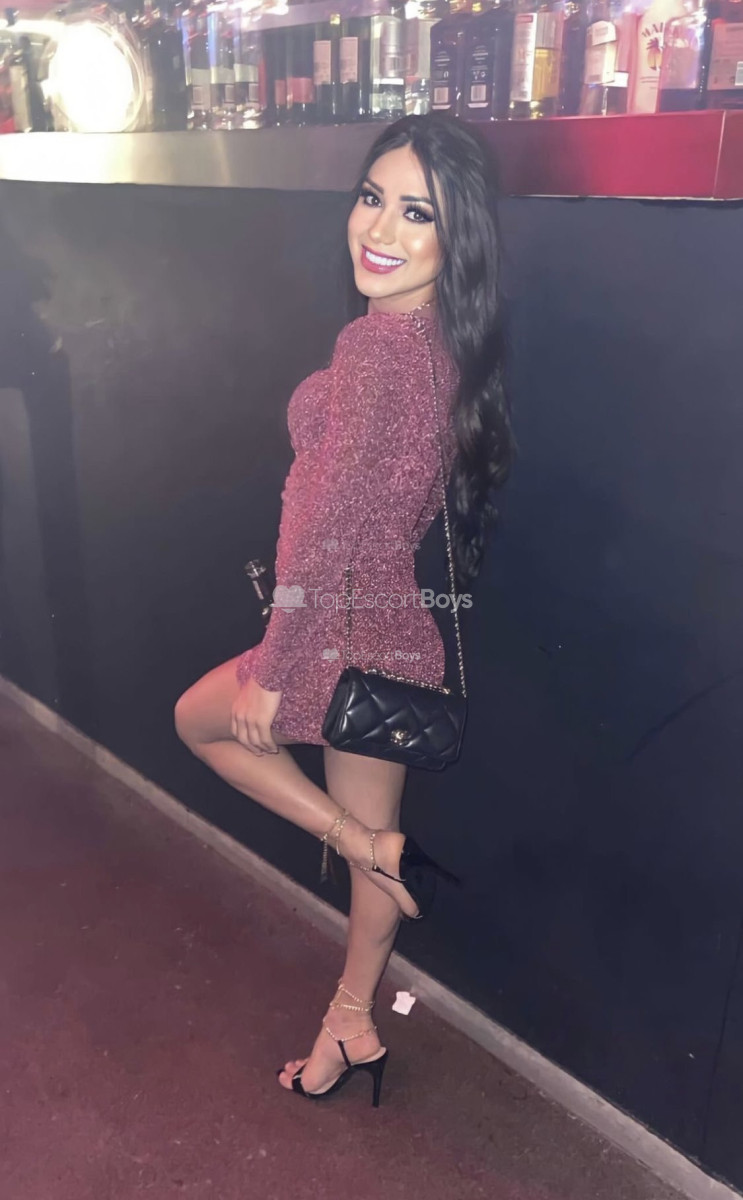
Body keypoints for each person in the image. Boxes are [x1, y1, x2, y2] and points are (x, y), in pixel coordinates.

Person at [174, 112, 514, 1106]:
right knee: (379, 856)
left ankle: (360, 847)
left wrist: (277, 670)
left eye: (418, 213)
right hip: (394, 638)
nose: (380, 229)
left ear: (457, 239)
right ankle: (349, 1025)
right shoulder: (444, 348)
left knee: (199, 723)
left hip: (331, 636)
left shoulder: (376, 350)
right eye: (372, 198)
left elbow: (323, 533)